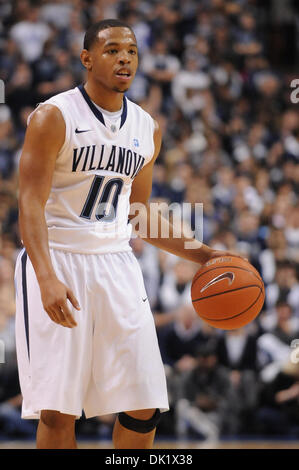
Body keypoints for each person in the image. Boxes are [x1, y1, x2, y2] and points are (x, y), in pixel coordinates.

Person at [15, 19, 237, 449]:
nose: (124, 58)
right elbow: (29, 204)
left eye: (131, 51)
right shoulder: (53, 116)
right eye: (113, 49)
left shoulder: (146, 127)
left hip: (116, 263)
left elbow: (138, 214)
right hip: (58, 256)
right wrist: (45, 277)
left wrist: (208, 256)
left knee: (145, 402)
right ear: (87, 58)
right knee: (59, 410)